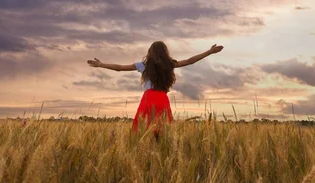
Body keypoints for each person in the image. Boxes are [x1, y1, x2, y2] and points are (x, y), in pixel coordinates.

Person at [87, 41, 224, 137]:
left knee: (142, 130)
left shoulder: (143, 65)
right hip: (162, 99)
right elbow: (190, 60)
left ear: (150, 52)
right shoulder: (169, 64)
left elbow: (119, 68)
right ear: (165, 52)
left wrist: (101, 64)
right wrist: (210, 52)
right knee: (163, 131)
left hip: (148, 99)